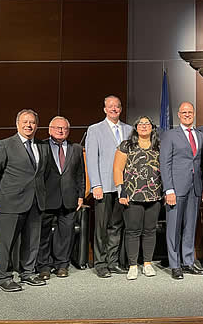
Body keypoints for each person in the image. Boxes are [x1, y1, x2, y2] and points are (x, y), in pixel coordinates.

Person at [0, 109, 50, 292]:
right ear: (17, 124)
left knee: (31, 241)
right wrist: (6, 191)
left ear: (36, 125)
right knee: (7, 242)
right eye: (25, 122)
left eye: (32, 122)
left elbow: (42, 174)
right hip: (12, 202)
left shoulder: (42, 146)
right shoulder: (4, 145)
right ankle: (4, 277)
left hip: (36, 201)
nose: (28, 125)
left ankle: (27, 273)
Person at [85, 95, 132, 278]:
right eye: (110, 106)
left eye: (117, 106)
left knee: (116, 225)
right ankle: (101, 263)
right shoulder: (95, 130)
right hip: (103, 186)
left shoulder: (129, 130)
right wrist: (95, 184)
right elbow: (91, 158)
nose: (114, 109)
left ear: (121, 109)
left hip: (121, 187)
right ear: (104, 109)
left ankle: (113, 262)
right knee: (102, 227)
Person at [160, 102, 203, 280]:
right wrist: (169, 189)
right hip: (176, 189)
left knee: (190, 227)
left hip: (195, 188)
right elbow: (165, 164)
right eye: (184, 112)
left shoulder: (201, 136)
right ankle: (175, 265)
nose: (187, 115)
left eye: (190, 112)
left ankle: (188, 262)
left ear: (194, 114)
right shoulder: (169, 136)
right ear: (179, 115)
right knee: (173, 228)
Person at [113, 116, 163, 280]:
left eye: (147, 124)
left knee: (150, 231)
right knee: (133, 231)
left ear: (152, 127)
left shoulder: (159, 146)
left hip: (154, 195)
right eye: (140, 124)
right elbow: (118, 169)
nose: (143, 126)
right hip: (132, 195)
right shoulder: (127, 146)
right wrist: (122, 191)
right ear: (135, 128)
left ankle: (147, 264)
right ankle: (133, 265)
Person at [37, 116, 85, 280]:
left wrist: (80, 196)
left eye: (64, 128)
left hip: (69, 199)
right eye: (57, 128)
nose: (60, 130)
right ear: (49, 129)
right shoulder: (40, 146)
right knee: (43, 235)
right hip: (46, 199)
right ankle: (43, 266)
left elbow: (80, 175)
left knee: (65, 234)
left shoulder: (76, 148)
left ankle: (62, 265)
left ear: (68, 131)